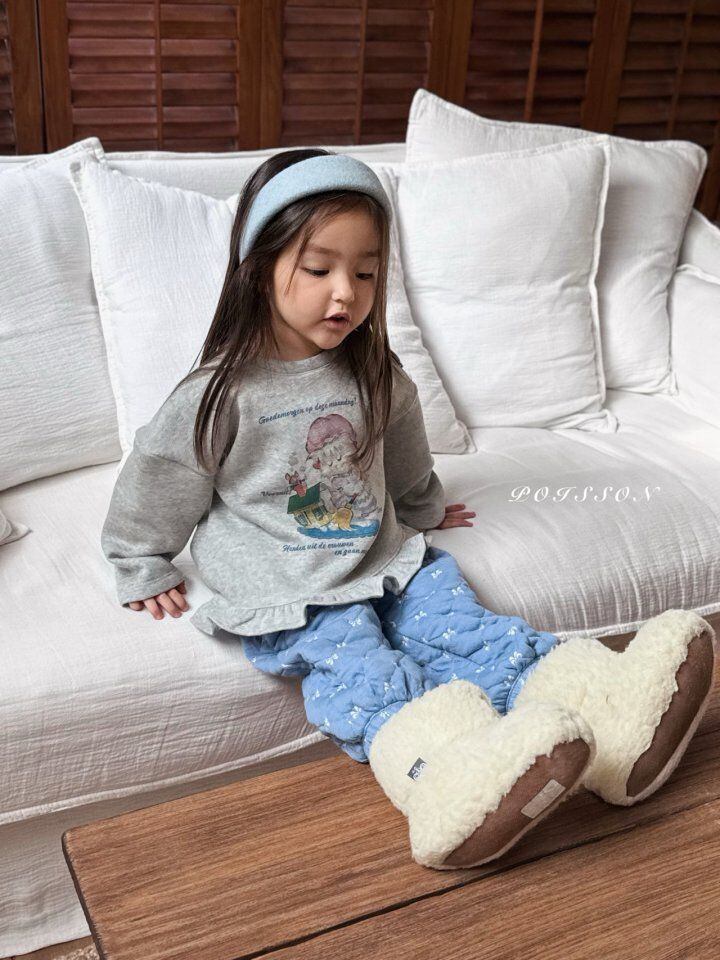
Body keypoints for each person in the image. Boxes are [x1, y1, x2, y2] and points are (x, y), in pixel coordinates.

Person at [101, 150, 717, 871]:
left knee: (470, 629)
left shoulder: (371, 370)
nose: (345, 293)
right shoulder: (220, 392)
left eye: (366, 274)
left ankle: (612, 721)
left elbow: (401, 448)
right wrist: (140, 561)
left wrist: (423, 506)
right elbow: (159, 475)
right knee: (364, 673)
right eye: (319, 269)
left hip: (383, 556)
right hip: (291, 587)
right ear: (259, 268)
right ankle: (452, 780)